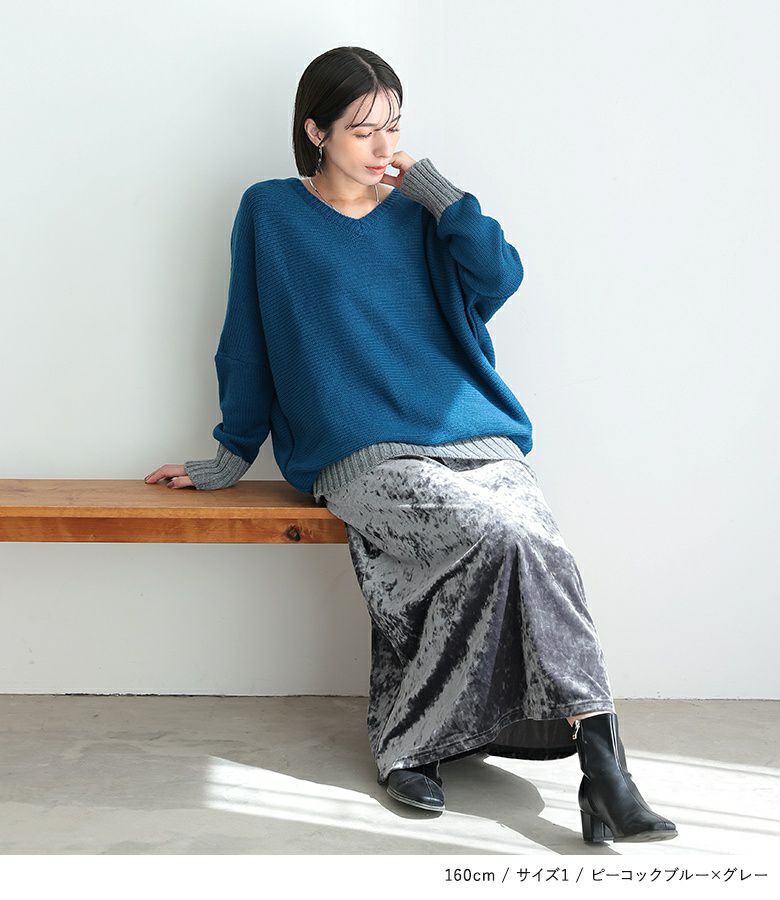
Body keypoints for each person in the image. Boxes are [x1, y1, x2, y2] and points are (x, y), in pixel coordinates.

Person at [144, 46, 677, 843]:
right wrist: (229, 454)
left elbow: (500, 279)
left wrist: (439, 193)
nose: (383, 145)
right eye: (363, 130)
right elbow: (246, 338)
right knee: (490, 538)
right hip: (363, 452)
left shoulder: (422, 213)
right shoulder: (271, 213)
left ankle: (602, 765)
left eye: (393, 126)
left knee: (534, 543)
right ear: (316, 131)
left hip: (476, 436)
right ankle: (434, 747)